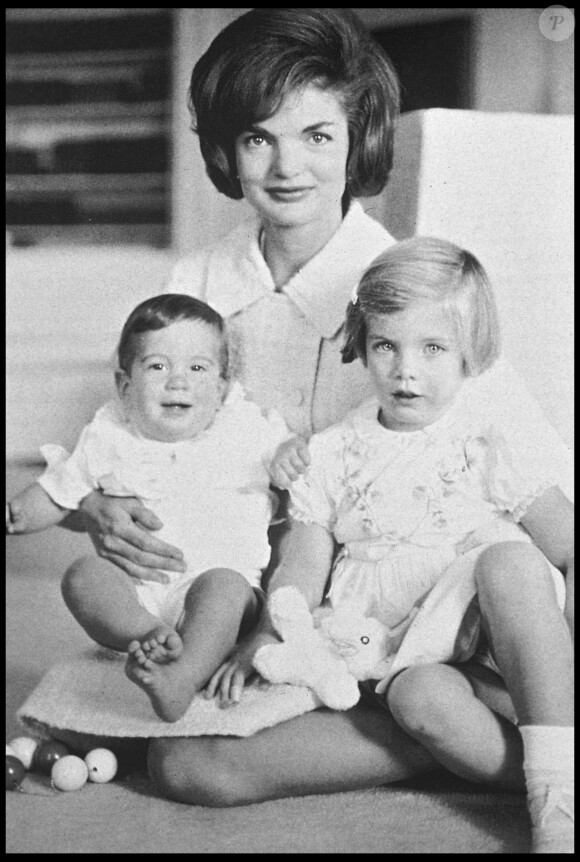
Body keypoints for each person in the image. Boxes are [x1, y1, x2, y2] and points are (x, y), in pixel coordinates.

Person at [51, 6, 571, 833]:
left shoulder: (413, 294)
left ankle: (483, 734)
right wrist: (96, 506)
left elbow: (537, 490)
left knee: (220, 748)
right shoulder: (203, 279)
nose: (288, 165)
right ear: (226, 151)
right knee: (184, 764)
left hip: (424, 600)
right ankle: (441, 730)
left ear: (357, 138)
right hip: (275, 604)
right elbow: (129, 432)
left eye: (318, 135)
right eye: (258, 138)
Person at [237, 237, 573, 853]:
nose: (405, 369)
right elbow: (303, 565)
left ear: (472, 354)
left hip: (500, 644)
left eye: (433, 348)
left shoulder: (487, 439)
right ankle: (537, 773)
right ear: (362, 344)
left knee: (507, 560)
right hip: (401, 660)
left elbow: (569, 547)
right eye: (386, 344)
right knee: (419, 699)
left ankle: (557, 797)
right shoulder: (332, 453)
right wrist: (269, 629)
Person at [6, 293, 291, 722]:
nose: (178, 381)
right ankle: (151, 636)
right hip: (141, 594)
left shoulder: (245, 428)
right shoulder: (108, 436)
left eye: (197, 368)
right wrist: (16, 515)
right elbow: (56, 491)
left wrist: (290, 456)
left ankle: (182, 675)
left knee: (224, 587)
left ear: (221, 388)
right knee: (84, 576)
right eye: (158, 366)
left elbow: (293, 476)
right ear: (125, 386)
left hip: (223, 595)